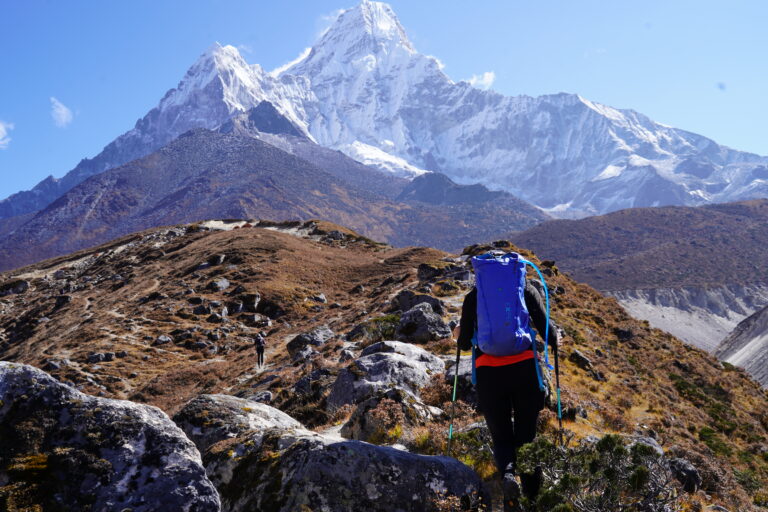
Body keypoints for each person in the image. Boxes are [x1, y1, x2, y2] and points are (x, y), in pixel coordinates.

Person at [456, 278, 558, 509]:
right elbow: (548, 332)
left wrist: (459, 334)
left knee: (501, 437)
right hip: (525, 371)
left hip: (489, 375)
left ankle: (509, 479)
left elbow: (463, 344)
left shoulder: (475, 295)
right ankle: (533, 499)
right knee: (527, 437)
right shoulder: (526, 289)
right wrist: (555, 340)